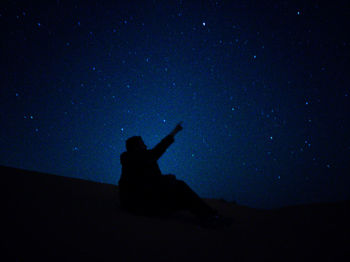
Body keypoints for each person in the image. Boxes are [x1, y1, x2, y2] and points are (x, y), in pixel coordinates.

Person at [118, 122, 218, 221]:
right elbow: (145, 180)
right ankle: (209, 217)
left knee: (179, 191)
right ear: (136, 147)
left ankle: (208, 214)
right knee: (180, 187)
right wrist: (174, 132)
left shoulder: (138, 160)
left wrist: (165, 179)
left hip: (142, 200)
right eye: (142, 144)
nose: (145, 145)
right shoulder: (133, 158)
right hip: (139, 204)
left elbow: (147, 179)